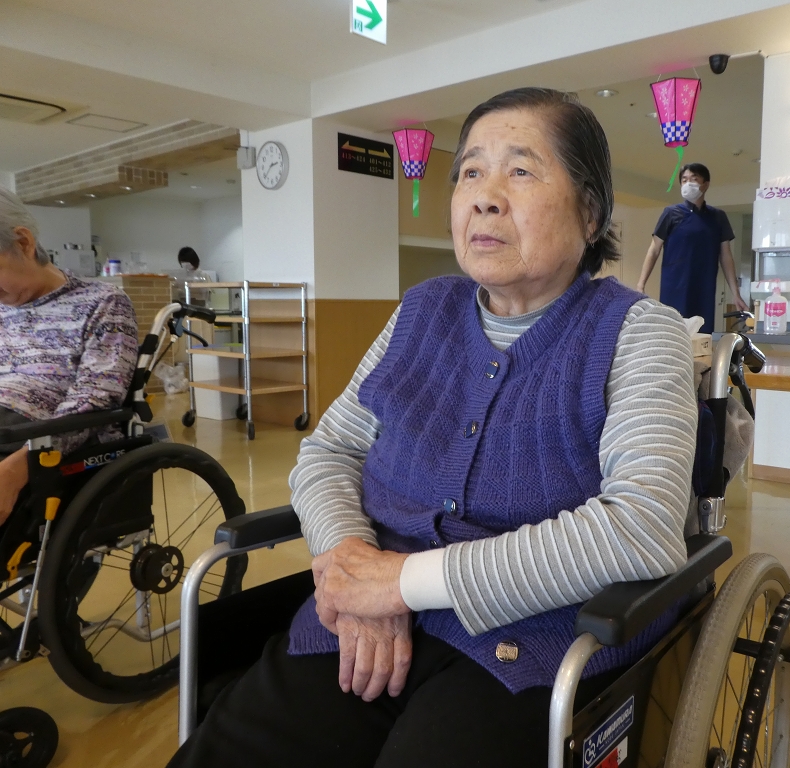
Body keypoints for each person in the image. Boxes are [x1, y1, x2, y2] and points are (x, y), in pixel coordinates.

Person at [170, 88, 706, 768]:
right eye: (470, 172)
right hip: (361, 625)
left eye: (520, 170)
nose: (484, 197)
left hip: (533, 651)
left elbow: (642, 527)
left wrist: (402, 582)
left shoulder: (638, 331)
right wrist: (351, 564)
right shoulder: (421, 311)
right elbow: (330, 451)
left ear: (590, 211)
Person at [0, 187, 137, 527]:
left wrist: (22, 464)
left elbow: (96, 398)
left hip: (35, 431)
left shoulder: (103, 302)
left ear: (23, 242)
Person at [636, 163, 747, 333]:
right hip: (674, 286)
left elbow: (726, 256)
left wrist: (736, 293)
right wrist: (640, 285)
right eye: (684, 180)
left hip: (704, 287)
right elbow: (654, 250)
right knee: (672, 332)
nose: (688, 184)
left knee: (701, 335)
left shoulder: (718, 217)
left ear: (706, 184)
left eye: (694, 179)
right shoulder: (670, 213)